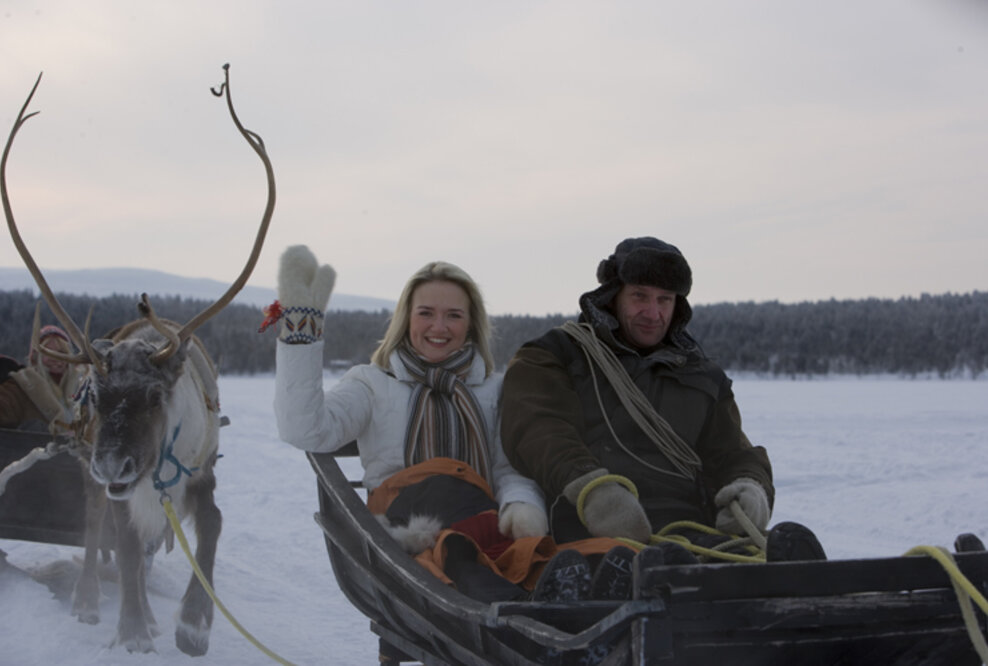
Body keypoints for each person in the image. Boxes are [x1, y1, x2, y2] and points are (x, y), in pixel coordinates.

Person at [272, 246, 602, 602]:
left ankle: (592, 583)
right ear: (407, 318)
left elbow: (510, 469)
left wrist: (521, 507)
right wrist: (300, 336)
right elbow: (304, 429)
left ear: (471, 323)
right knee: (448, 498)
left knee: (530, 551)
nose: (439, 327)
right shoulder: (372, 383)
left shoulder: (495, 390)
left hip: (483, 526)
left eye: (454, 316)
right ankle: (519, 608)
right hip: (403, 540)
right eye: (426, 313)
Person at [500, 237, 824, 562]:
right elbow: (538, 427)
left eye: (664, 299)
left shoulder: (703, 377)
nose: (653, 313)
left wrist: (750, 487)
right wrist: (593, 490)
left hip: (690, 529)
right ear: (612, 296)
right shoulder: (554, 355)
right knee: (645, 570)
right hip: (588, 527)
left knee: (789, 551)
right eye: (640, 296)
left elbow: (732, 451)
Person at [0, 324, 80, 432]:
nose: (56, 358)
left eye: (62, 352)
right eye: (48, 352)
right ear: (35, 357)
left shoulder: (82, 391)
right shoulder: (21, 386)